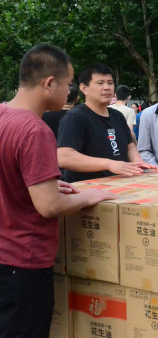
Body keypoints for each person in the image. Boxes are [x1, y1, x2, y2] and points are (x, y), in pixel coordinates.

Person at [0, 44, 116, 337]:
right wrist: (89, 196)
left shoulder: (3, 114)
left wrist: (44, 183)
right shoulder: (35, 130)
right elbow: (49, 206)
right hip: (24, 262)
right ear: (49, 83)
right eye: (68, 83)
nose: (69, 92)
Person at [57, 64, 155, 182]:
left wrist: (138, 163)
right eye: (100, 83)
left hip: (121, 184)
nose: (107, 87)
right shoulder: (75, 117)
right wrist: (109, 164)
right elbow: (64, 157)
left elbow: (130, 146)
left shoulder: (117, 116)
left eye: (110, 83)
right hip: (86, 188)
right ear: (84, 88)